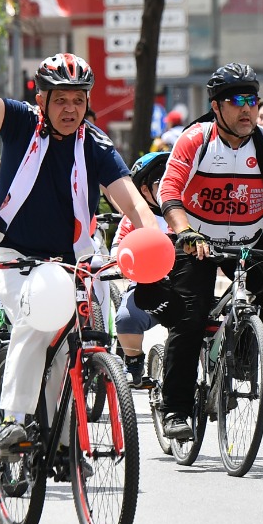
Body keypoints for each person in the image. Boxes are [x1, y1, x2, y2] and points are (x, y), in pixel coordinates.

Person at [0, 18, 153, 454]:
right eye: (60, 99)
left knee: (72, 343)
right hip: (10, 254)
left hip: (70, 260)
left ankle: (63, 443)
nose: (70, 108)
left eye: (78, 100)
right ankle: (13, 420)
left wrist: (154, 241)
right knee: (37, 317)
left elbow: (134, 205)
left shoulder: (96, 145)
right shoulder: (22, 122)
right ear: (41, 99)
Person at [156, 63, 263, 441]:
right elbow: (170, 192)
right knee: (191, 318)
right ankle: (176, 409)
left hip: (249, 238)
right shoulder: (195, 139)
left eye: (252, 100)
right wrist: (184, 232)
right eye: (236, 101)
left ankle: (244, 352)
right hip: (197, 239)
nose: (247, 109)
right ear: (216, 106)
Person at [111, 151, 176, 385]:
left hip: (188, 285)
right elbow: (118, 248)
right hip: (147, 288)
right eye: (161, 184)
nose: (169, 188)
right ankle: (134, 360)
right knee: (127, 319)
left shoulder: (191, 212)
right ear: (145, 190)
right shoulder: (134, 218)